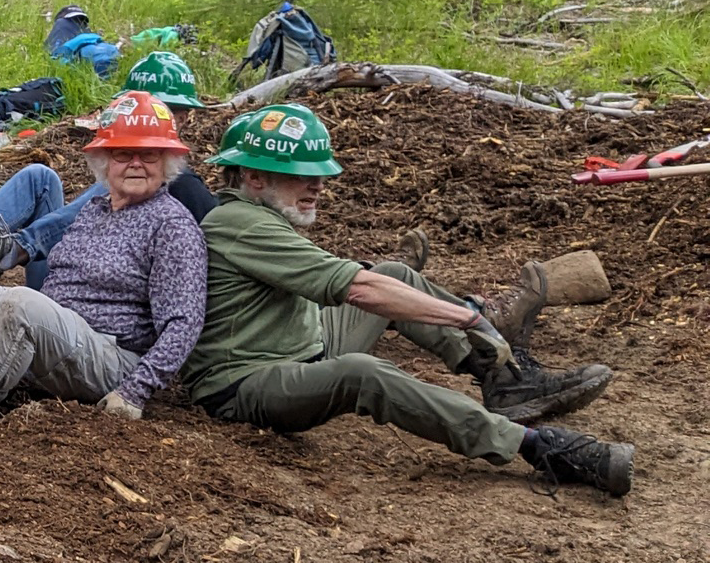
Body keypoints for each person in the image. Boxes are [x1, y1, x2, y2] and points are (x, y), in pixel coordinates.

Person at [181, 103, 631, 494]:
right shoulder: (240, 223)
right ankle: (531, 445)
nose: (318, 185)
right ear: (255, 177)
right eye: (303, 175)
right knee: (362, 373)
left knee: (395, 273)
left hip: (304, 348)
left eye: (320, 174)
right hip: (243, 383)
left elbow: (369, 282)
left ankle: (504, 382)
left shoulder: (261, 219)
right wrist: (467, 318)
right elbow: (358, 288)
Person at [0, 93, 207, 414]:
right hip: (58, 336)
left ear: (167, 163)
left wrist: (133, 392)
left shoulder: (172, 225)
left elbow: (184, 322)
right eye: (123, 153)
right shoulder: (95, 208)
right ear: (104, 160)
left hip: (111, 358)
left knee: (19, 303)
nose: (135, 163)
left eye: (149, 155)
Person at [0, 51, 215, 285]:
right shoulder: (132, 177)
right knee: (39, 178)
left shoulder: (180, 185)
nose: (139, 122)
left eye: (152, 113)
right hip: (65, 267)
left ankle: (13, 250)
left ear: (180, 119)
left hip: (75, 293)